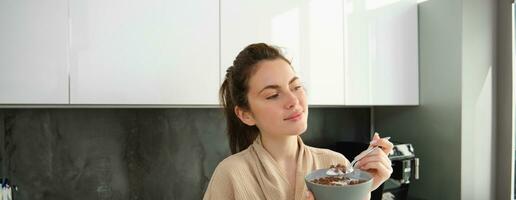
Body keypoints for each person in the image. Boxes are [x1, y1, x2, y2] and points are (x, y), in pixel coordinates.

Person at [203, 43, 393, 200]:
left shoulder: (335, 164)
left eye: (296, 86)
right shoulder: (231, 175)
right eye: (273, 95)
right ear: (246, 115)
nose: (293, 101)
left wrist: (362, 190)